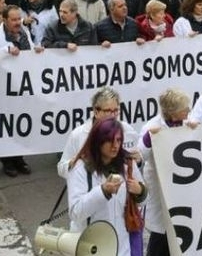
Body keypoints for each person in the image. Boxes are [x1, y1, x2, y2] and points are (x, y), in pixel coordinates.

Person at [68, 117, 146, 256]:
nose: (115, 145)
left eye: (118, 140)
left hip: (122, 247)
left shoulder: (127, 163)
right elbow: (76, 212)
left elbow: (144, 202)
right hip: (92, 247)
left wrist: (140, 191)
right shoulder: (80, 168)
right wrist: (103, 191)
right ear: (98, 141)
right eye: (110, 140)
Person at [0, 5, 43, 177]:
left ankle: (19, 158)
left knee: (20, 124)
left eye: (19, 19)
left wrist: (36, 50)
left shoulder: (23, 32)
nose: (18, 22)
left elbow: (29, 50)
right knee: (6, 125)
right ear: (4, 20)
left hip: (22, 87)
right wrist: (5, 51)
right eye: (14, 20)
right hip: (4, 89)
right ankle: (7, 161)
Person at [139, 89, 190, 256]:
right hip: (160, 189)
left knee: (180, 232)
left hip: (182, 186)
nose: (188, 111)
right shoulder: (153, 126)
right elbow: (139, 156)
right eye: (184, 108)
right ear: (173, 111)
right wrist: (148, 139)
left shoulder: (188, 122)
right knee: (161, 234)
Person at [58, 87, 139, 178]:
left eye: (116, 110)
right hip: (88, 187)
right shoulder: (78, 135)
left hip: (120, 187)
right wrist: (74, 162)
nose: (113, 115)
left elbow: (137, 166)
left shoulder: (127, 130)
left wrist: (138, 161)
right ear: (96, 112)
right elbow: (61, 169)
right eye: (108, 111)